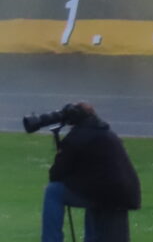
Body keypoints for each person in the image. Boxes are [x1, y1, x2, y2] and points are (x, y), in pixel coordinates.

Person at [40, 102, 141, 242]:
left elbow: (56, 174)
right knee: (90, 194)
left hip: (102, 193)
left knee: (53, 191)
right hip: (123, 193)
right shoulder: (107, 133)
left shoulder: (77, 137)